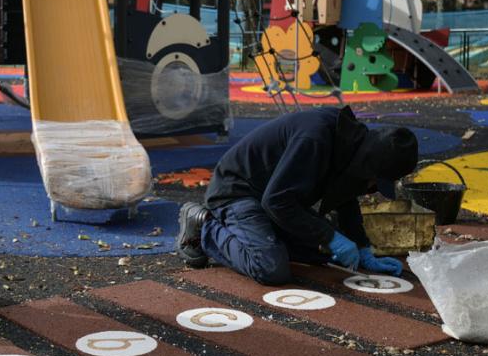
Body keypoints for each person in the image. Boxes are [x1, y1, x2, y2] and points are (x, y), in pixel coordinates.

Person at [176, 106, 418, 284]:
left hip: (269, 197)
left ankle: (252, 233)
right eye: (375, 182)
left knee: (318, 254)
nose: (371, 188)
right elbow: (277, 202)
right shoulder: (315, 138)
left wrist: (363, 247)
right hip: (236, 191)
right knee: (270, 268)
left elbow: (346, 195)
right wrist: (330, 235)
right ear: (368, 166)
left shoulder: (353, 144)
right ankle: (204, 223)